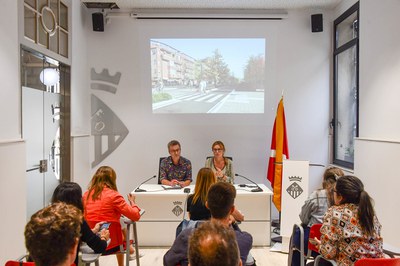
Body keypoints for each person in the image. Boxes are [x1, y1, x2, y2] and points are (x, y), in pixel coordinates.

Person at [164, 182, 253, 266]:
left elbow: (167, 261)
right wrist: (234, 222)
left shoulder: (187, 236)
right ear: (232, 210)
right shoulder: (245, 239)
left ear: (207, 205)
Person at [314, 175, 384, 266]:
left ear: (340, 196)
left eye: (333, 191)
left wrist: (321, 246)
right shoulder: (370, 213)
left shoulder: (334, 213)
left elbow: (329, 253)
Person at [83, 166, 142, 266]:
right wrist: (133, 202)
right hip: (112, 244)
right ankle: (128, 250)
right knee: (119, 223)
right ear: (112, 180)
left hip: (90, 243)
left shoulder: (86, 195)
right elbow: (135, 216)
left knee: (118, 221)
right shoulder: (114, 195)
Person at [290, 166, 344, 266]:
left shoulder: (317, 195)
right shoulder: (346, 198)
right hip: (338, 245)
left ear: (325, 180)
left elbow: (303, 218)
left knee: (297, 236)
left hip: (313, 243)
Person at [51, 182, 110, 265]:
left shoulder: (44, 219)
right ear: (77, 201)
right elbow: (99, 247)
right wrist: (104, 237)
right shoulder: (76, 221)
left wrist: (93, 231)